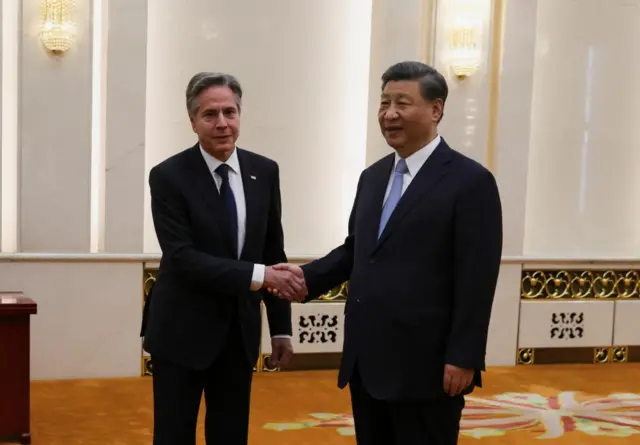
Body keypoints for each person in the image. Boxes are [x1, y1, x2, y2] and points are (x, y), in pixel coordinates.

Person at [271, 61, 503, 445]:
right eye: (384, 103)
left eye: (402, 103)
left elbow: (477, 278)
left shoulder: (470, 182)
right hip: (368, 361)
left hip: (428, 367)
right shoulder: (373, 176)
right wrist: (303, 278)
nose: (389, 114)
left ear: (436, 109)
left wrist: (464, 356)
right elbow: (357, 251)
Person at [141, 72, 304, 445]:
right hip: (181, 332)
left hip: (238, 334)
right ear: (193, 121)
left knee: (231, 434)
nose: (222, 123)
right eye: (209, 114)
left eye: (230, 112)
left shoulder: (264, 171)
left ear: (240, 115)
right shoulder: (168, 176)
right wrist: (262, 276)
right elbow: (182, 258)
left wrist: (280, 328)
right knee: (173, 433)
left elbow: (272, 251)